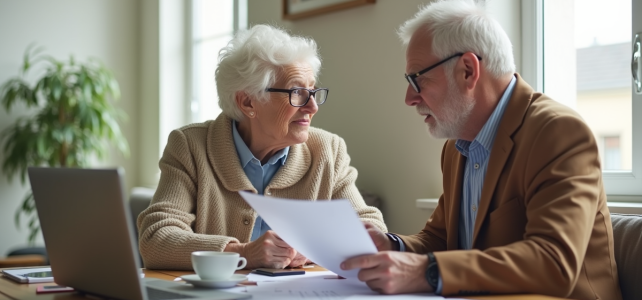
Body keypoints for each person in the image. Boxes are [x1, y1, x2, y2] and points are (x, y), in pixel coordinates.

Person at [341, 1, 622, 299]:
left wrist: (425, 270)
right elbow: (440, 238)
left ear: (467, 70)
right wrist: (392, 245)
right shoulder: (456, 146)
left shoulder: (558, 133)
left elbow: (554, 263)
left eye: (417, 78)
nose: (409, 97)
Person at [137, 24, 387, 271]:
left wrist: (315, 248)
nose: (313, 107)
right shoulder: (190, 146)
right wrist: (242, 253)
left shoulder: (328, 151)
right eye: (298, 92)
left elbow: (372, 230)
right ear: (247, 102)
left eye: (313, 91)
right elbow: (156, 239)